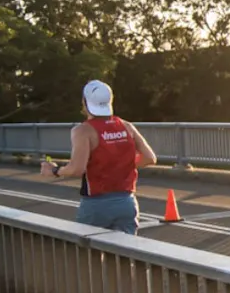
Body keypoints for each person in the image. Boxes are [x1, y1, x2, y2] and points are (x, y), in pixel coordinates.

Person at [40, 80, 156, 234]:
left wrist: (54, 170)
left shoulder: (83, 131)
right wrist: (119, 164)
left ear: (84, 102)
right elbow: (150, 158)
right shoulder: (126, 126)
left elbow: (77, 168)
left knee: (89, 255)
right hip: (126, 201)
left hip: (96, 204)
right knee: (123, 255)